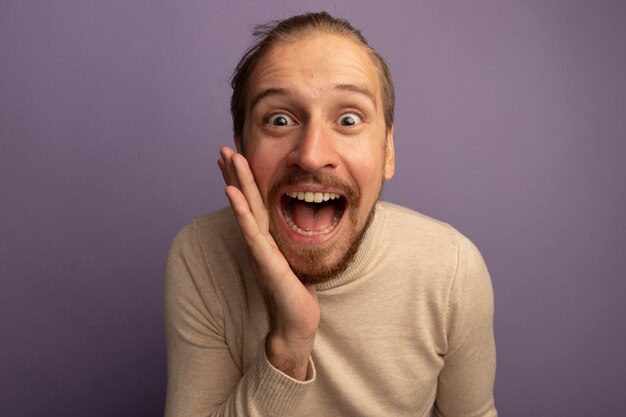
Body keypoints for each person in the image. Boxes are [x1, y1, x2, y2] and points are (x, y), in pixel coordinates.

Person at [164, 11, 497, 417]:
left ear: (387, 150)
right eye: (280, 119)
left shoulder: (451, 270)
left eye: (349, 119)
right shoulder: (202, 255)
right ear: (243, 151)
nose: (312, 154)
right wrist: (289, 344)